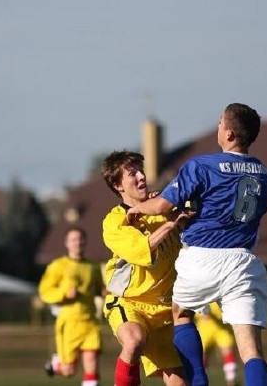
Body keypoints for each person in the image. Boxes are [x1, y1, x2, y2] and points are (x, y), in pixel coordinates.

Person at [127, 103, 267, 386]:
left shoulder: (201, 165)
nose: (217, 127)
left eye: (220, 123)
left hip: (203, 257)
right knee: (251, 350)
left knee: (181, 314)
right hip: (243, 261)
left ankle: (198, 381)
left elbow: (161, 206)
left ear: (229, 134)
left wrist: (138, 208)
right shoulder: (264, 174)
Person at [100, 150, 190, 386]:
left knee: (180, 383)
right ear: (118, 185)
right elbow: (143, 249)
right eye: (132, 173)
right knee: (133, 341)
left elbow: (190, 221)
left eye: (141, 170)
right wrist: (171, 223)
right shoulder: (114, 221)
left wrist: (181, 213)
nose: (141, 176)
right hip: (129, 303)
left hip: (164, 313)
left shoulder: (162, 208)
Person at [38, 226, 105, 386]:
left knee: (92, 361)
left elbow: (98, 288)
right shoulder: (58, 266)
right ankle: (56, 365)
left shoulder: (92, 266)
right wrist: (64, 293)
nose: (78, 242)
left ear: (85, 242)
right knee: (69, 371)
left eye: (81, 239)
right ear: (67, 243)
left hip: (90, 321)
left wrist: (104, 291)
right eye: (73, 239)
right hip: (69, 323)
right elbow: (45, 292)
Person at [195, 302, 238, 386]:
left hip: (222, 324)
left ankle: (231, 382)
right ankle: (201, 382)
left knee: (228, 351)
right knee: (202, 356)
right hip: (205, 324)